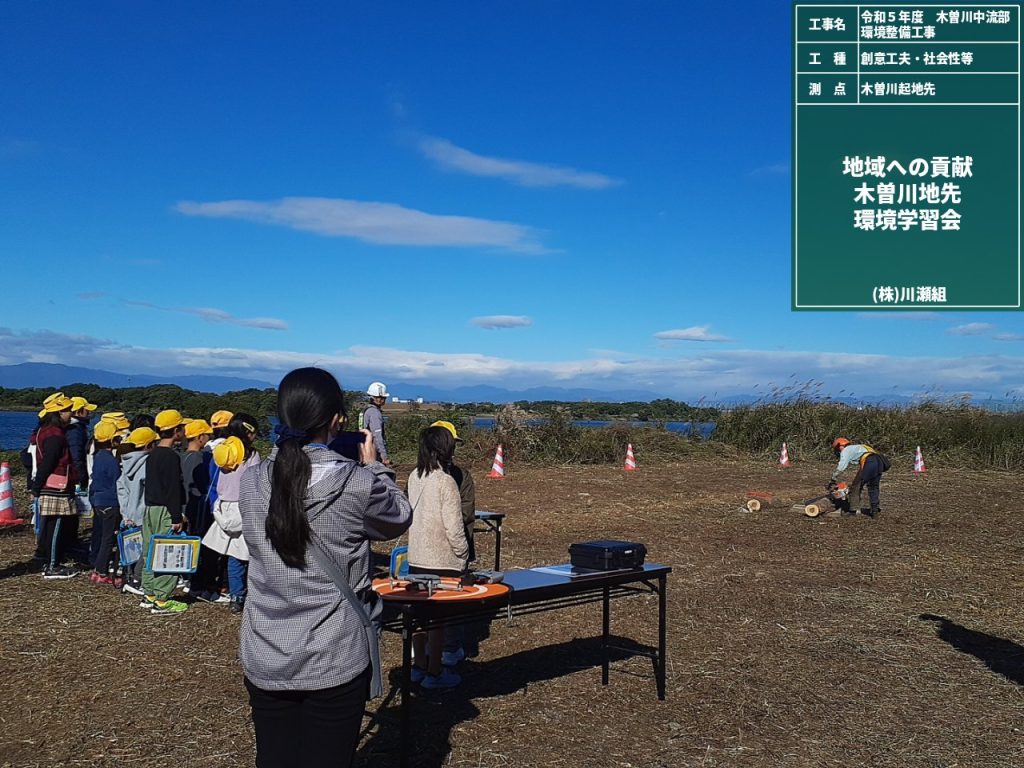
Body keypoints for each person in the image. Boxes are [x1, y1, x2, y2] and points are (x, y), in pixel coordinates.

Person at [240, 367, 411, 768]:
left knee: (275, 756)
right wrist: (374, 468)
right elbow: (399, 517)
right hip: (333, 653)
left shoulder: (252, 482)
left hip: (265, 648)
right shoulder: (357, 483)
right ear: (337, 420)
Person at [406, 425, 470, 689]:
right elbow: (454, 526)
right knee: (439, 621)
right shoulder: (446, 482)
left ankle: (418, 666)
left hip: (416, 558)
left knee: (420, 619)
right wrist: (463, 553)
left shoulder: (413, 476)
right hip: (443, 562)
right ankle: (434, 673)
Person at [430, 419, 481, 662]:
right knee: (435, 600)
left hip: (449, 549)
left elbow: (465, 514)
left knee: (449, 601)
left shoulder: (461, 475)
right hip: (437, 552)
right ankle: (439, 650)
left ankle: (447, 650)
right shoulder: (423, 477)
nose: (452, 450)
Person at [203, 436, 259, 613]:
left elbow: (212, 489)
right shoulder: (251, 459)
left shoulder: (220, 462)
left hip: (224, 510)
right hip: (245, 508)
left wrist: (214, 507)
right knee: (251, 557)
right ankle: (253, 594)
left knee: (233, 558)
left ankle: (236, 597)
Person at [140, 410, 189, 615]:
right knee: (169, 552)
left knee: (150, 550)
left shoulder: (152, 455)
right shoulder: (171, 457)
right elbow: (172, 489)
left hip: (150, 508)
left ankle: (149, 592)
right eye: (182, 427)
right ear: (176, 431)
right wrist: (177, 516)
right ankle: (162, 599)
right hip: (165, 510)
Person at [32, 394, 79, 579]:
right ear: (59, 412)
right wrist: (37, 485)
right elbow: (50, 461)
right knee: (56, 525)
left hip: (49, 483)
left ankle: (48, 560)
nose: (70, 413)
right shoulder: (55, 434)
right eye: (68, 410)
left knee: (50, 525)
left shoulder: (44, 430)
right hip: (57, 485)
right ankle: (52, 565)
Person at [117, 427, 159, 595]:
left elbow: (121, 488)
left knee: (131, 549)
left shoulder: (126, 461)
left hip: (130, 513)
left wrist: (125, 512)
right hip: (144, 512)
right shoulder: (148, 463)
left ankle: (129, 577)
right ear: (150, 445)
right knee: (145, 550)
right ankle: (137, 580)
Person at [88, 420, 122, 585]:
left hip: (98, 500)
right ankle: (101, 571)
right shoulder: (111, 460)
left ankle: (96, 568)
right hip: (110, 501)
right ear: (112, 441)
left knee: (100, 535)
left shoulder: (98, 457)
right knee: (108, 538)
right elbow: (118, 481)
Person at [829, 437, 889, 519]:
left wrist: (833, 478)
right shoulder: (860, 447)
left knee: (855, 487)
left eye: (837, 449)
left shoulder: (846, 450)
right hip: (879, 462)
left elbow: (841, 467)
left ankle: (853, 511)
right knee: (873, 487)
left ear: (840, 446)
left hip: (869, 462)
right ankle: (874, 511)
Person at [361, 382, 391, 465]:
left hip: (364, 450)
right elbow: (377, 435)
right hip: (372, 451)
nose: (384, 400)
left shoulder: (366, 410)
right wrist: (384, 456)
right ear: (377, 398)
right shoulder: (374, 413)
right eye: (383, 397)